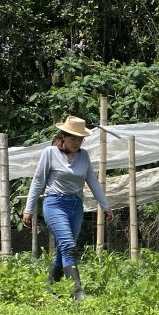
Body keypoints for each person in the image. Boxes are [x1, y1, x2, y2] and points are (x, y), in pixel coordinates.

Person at [23, 116, 113, 301]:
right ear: (63, 136)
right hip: (54, 204)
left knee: (63, 249)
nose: (77, 142)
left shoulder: (83, 156)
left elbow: (93, 181)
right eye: (73, 138)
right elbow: (38, 181)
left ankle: (50, 289)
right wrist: (29, 209)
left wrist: (106, 206)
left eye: (80, 139)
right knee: (69, 245)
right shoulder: (49, 153)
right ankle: (77, 292)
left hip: (76, 206)